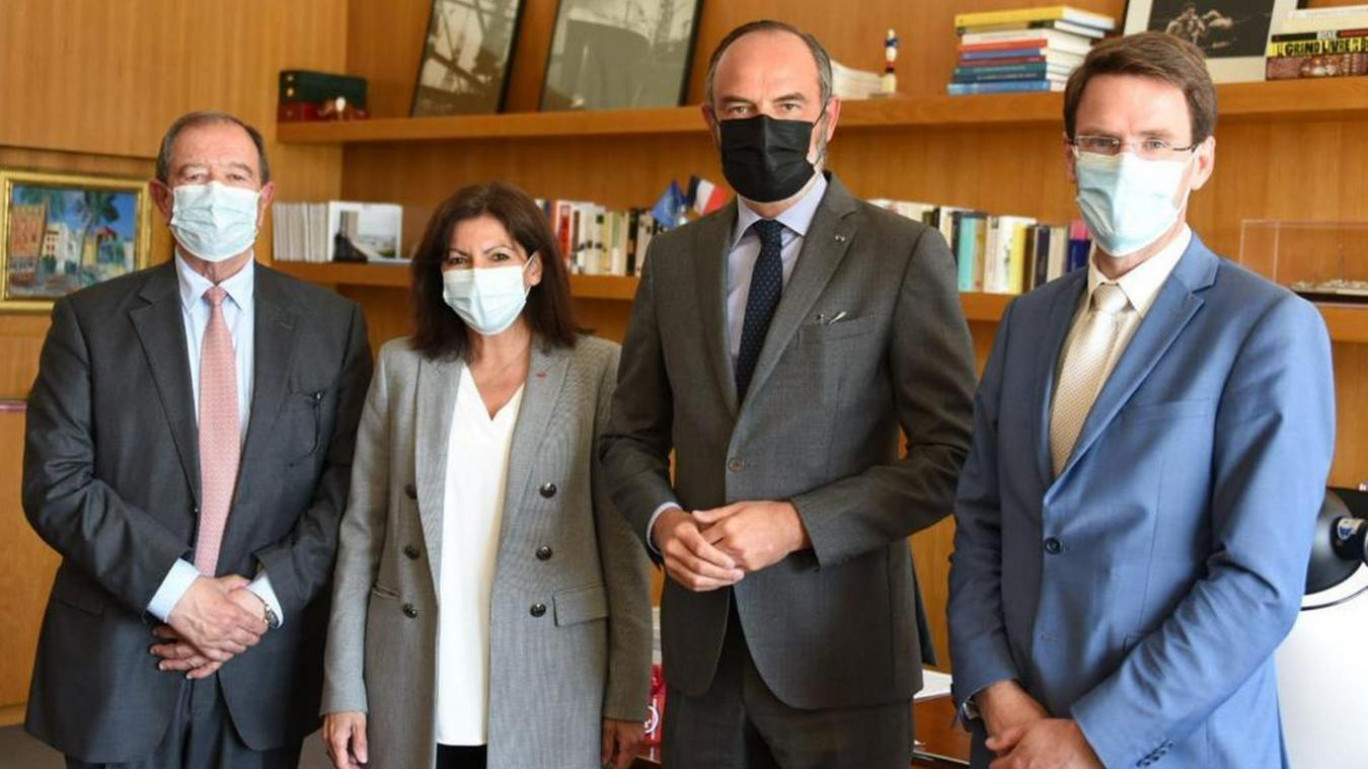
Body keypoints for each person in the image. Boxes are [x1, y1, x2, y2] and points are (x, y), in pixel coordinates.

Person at [948, 32, 1336, 769]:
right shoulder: (1029, 320)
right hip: (1012, 739)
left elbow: (1255, 585)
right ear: (1070, 157)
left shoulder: (1268, 328)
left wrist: (1090, 735)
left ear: (1202, 162)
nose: (1128, 164)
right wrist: (994, 688)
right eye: (1103, 140)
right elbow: (983, 522)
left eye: (1157, 143)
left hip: (1171, 748)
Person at [600, 19, 978, 769]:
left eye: (788, 104)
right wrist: (662, 520)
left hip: (841, 657)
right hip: (702, 661)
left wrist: (799, 524)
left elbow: (952, 455)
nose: (763, 126)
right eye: (739, 110)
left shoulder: (900, 253)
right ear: (711, 123)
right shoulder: (673, 259)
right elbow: (629, 439)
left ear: (827, 117)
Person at [22, 111, 373, 767]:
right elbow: (56, 484)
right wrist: (180, 592)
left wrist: (254, 608)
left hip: (261, 661)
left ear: (264, 199)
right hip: (121, 657)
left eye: (236, 176)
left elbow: (347, 489)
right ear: (162, 197)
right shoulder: (90, 321)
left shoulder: (335, 327)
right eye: (195, 175)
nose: (217, 192)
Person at [321, 182, 651, 769]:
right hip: (415, 672)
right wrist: (343, 687)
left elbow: (621, 549)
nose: (477, 273)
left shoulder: (596, 370)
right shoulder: (403, 367)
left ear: (533, 268)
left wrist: (626, 695)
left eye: (497, 256)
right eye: (458, 259)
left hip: (553, 676)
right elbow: (361, 535)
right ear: (439, 276)